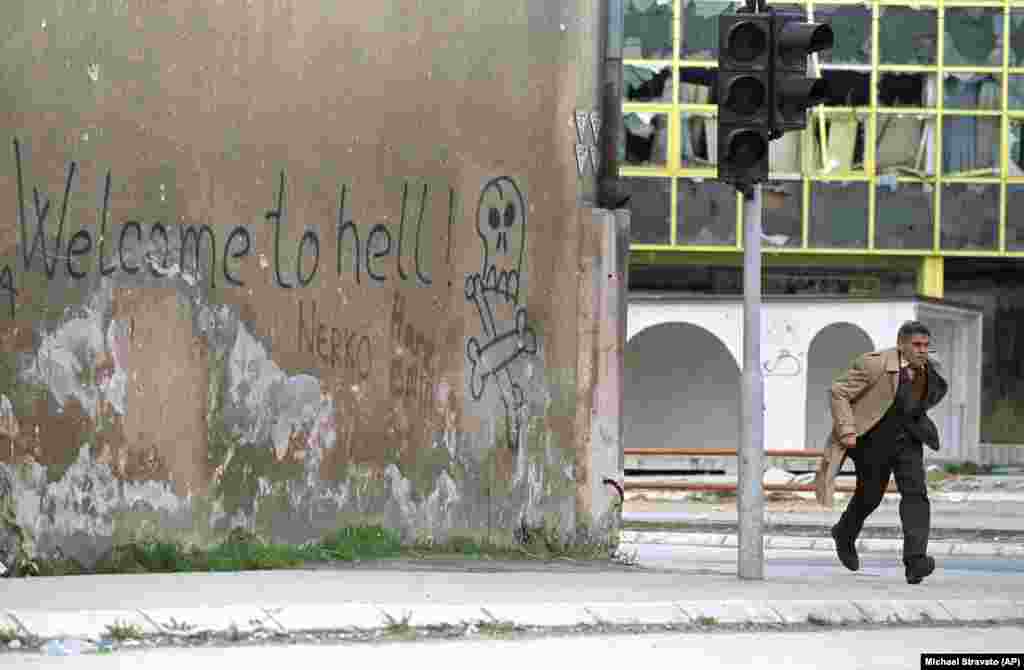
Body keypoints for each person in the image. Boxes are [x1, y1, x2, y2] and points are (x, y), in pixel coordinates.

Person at [822, 321, 949, 584]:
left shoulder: (929, 368)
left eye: (926, 345)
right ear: (901, 344)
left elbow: (929, 397)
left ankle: (915, 561)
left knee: (916, 495)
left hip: (909, 440)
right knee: (870, 496)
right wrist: (846, 428)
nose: (922, 350)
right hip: (872, 439)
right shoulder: (875, 364)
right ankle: (844, 533)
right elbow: (838, 391)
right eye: (916, 345)